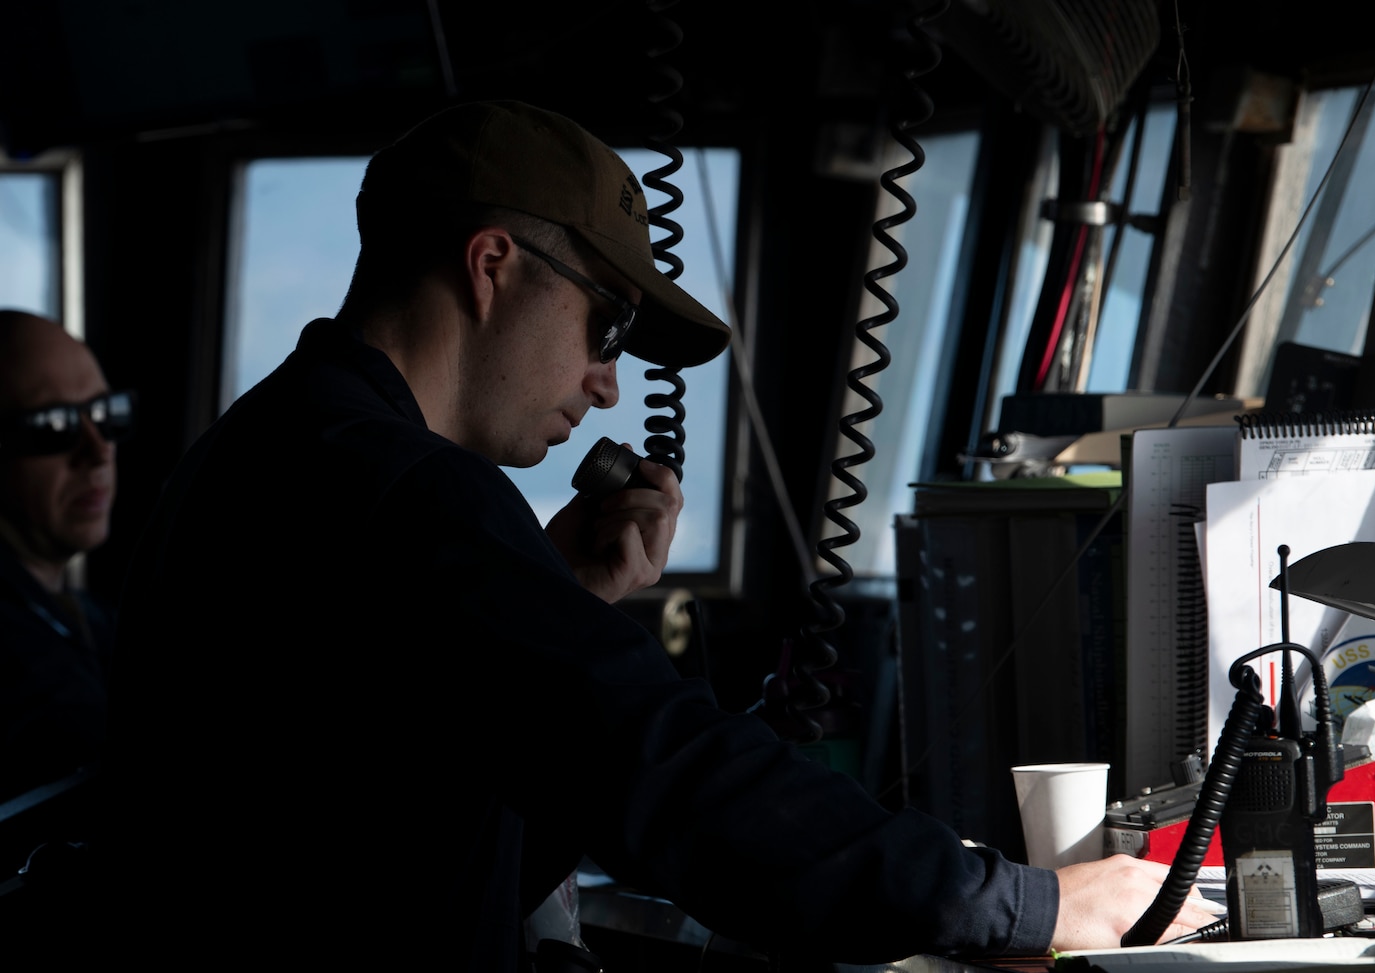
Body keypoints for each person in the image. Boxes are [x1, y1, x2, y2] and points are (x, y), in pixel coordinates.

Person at [102, 100, 1212, 969]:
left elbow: (405, 823)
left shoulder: (268, 447)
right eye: (606, 320)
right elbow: (666, 775)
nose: (604, 380)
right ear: (490, 268)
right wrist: (1025, 901)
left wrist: (559, 598)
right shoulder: (406, 488)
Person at [0, 310, 131, 803]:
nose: (98, 451)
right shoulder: (21, 665)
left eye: (105, 414)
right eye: (53, 427)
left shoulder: (80, 614)